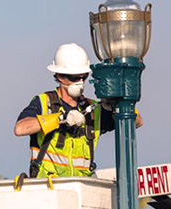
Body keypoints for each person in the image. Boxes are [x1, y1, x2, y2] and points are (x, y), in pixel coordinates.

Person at [14, 43, 143, 178]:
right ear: (60, 76)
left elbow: (137, 122)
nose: (80, 82)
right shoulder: (44, 103)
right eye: (75, 78)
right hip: (48, 188)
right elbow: (20, 128)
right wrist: (59, 119)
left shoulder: (94, 110)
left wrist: (117, 105)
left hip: (81, 189)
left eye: (84, 77)